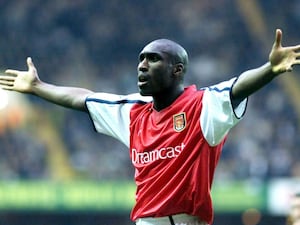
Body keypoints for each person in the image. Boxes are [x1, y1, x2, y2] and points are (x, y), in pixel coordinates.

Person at [0, 29, 299, 225]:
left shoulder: (203, 106)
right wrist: (38, 87)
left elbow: (237, 88)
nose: (142, 65)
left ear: (177, 70)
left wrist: (270, 69)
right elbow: (83, 99)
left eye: (153, 59)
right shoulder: (131, 112)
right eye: (141, 59)